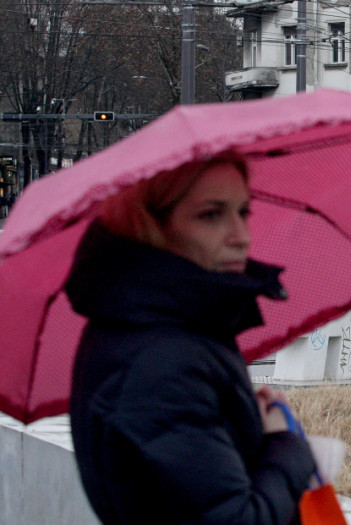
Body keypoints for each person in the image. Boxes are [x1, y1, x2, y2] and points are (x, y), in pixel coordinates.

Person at [65, 155, 316, 525]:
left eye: (243, 212)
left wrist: (245, 416)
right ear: (152, 225)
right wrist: (286, 448)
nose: (241, 236)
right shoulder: (162, 361)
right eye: (211, 215)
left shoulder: (157, 328)